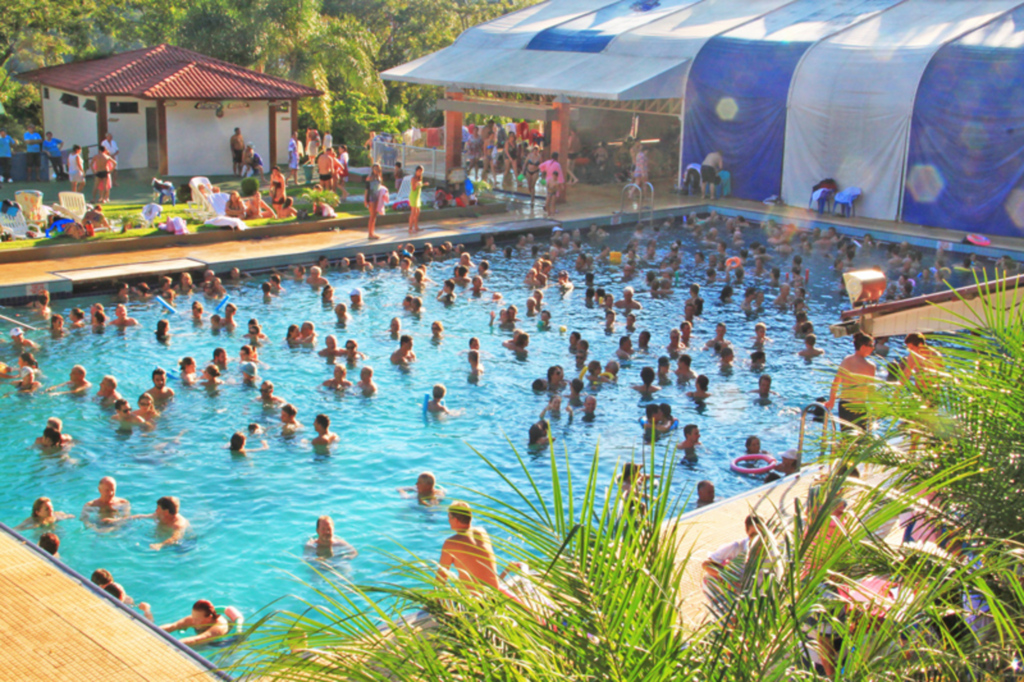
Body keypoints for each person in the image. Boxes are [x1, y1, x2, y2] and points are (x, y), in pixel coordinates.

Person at [436, 501, 503, 592]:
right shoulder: (482, 532)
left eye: (449, 517)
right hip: (495, 595)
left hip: (477, 602)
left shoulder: (451, 543)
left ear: (455, 520)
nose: (448, 521)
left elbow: (442, 576)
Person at [824, 332, 877, 430]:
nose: (873, 348)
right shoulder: (870, 366)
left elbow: (836, 382)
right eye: (871, 345)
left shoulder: (846, 360)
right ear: (863, 347)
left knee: (845, 438)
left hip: (844, 405)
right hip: (859, 407)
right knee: (859, 440)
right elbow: (871, 391)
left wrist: (831, 401)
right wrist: (876, 408)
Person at [104, 496, 189, 551]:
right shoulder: (159, 515)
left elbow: (175, 537)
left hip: (182, 545)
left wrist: (160, 545)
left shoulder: (178, 524)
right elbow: (140, 516)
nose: (156, 510)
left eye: (158, 508)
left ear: (166, 512)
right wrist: (118, 520)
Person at [702, 514, 762, 580]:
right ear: (747, 532)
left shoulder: (771, 551)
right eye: (754, 535)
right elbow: (706, 564)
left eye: (761, 534)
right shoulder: (737, 547)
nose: (758, 539)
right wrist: (727, 578)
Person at [160, 600, 234, 646]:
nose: (193, 621)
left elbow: (198, 639)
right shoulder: (195, 619)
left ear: (209, 618)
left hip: (227, 642)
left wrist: (172, 645)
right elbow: (173, 626)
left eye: (197, 619)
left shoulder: (219, 627)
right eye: (193, 617)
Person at [364, 163, 385, 239]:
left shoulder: (379, 178)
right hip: (371, 198)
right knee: (372, 216)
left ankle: (372, 232)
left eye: (377, 169)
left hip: (377, 198)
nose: (376, 170)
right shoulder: (370, 178)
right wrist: (366, 200)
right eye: (374, 169)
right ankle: (370, 233)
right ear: (372, 169)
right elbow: (367, 189)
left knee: (375, 216)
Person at [408, 165, 428, 235]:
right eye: (419, 171)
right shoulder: (413, 178)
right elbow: (413, 188)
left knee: (417, 212)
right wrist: (416, 184)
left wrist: (423, 184)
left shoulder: (420, 178)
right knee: (413, 212)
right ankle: (410, 228)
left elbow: (420, 185)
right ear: (416, 171)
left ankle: (416, 227)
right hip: (413, 196)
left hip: (417, 196)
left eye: (421, 172)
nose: (420, 173)